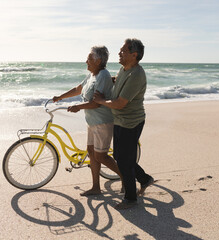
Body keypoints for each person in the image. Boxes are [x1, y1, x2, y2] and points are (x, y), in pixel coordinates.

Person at [53, 46, 123, 196]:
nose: (86, 61)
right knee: (91, 153)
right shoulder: (92, 75)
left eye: (89, 58)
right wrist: (60, 97)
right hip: (92, 122)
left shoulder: (103, 75)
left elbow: (97, 102)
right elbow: (78, 89)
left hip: (102, 122)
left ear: (98, 61)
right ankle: (96, 187)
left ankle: (125, 179)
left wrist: (78, 106)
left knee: (101, 156)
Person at [94, 38, 154, 210]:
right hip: (120, 120)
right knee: (121, 158)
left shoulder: (136, 75)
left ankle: (131, 198)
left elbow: (120, 103)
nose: (119, 53)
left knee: (123, 160)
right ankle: (144, 179)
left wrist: (101, 100)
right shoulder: (124, 69)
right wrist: (112, 80)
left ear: (134, 55)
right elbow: (120, 83)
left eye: (123, 51)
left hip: (131, 122)